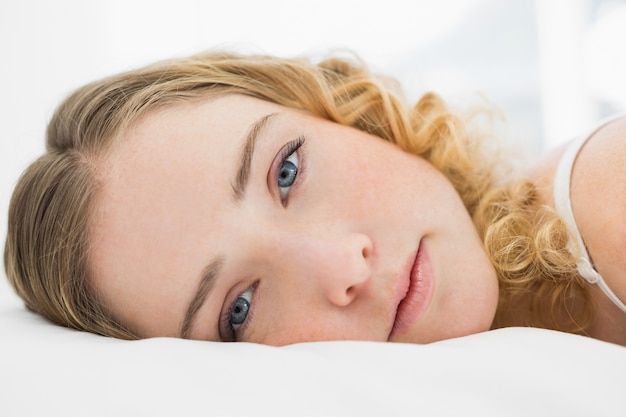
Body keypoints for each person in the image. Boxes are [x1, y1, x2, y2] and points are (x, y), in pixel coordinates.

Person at [4, 51, 624, 345]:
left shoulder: (604, 198)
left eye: (287, 171)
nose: (343, 264)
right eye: (239, 309)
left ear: (339, 113)